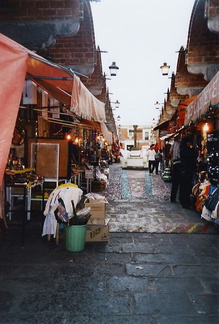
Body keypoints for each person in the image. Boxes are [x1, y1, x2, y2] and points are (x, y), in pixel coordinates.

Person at [179, 136, 198, 209]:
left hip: (184, 170)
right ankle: (185, 203)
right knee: (186, 187)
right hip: (187, 170)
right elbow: (191, 158)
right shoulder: (186, 150)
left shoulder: (183, 149)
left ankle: (183, 200)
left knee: (183, 187)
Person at [170, 135, 181, 203]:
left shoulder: (173, 144)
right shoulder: (181, 144)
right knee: (181, 182)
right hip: (180, 162)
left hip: (174, 163)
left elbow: (170, 152)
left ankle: (173, 198)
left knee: (175, 182)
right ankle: (179, 198)